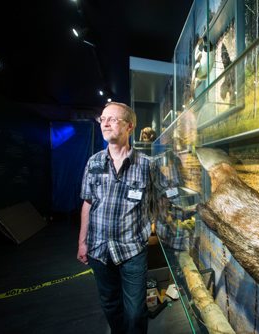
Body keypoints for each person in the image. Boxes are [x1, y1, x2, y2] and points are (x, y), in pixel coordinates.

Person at [77, 102, 152, 334]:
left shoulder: (147, 165)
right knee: (110, 304)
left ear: (130, 126)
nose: (105, 123)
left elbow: (159, 204)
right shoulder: (94, 162)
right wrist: (82, 242)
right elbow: (87, 202)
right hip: (99, 249)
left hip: (131, 250)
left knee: (136, 311)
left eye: (112, 119)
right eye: (103, 119)